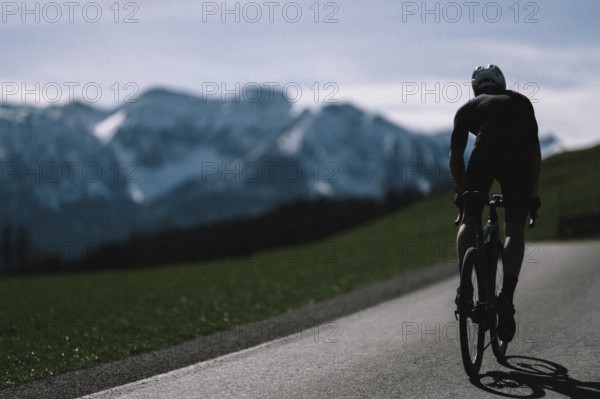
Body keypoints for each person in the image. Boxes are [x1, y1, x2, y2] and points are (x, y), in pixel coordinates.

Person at [449, 64, 541, 342]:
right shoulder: (521, 102)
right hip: (517, 161)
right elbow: (534, 153)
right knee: (514, 230)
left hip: (484, 155)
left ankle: (466, 290)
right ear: (502, 85)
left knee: (469, 220)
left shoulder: (467, 109)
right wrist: (532, 194)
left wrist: (463, 193)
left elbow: (455, 159)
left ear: (476, 89)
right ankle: (506, 299)